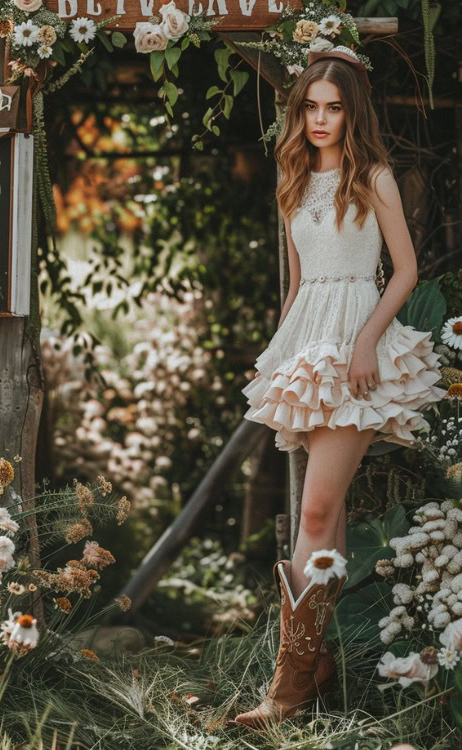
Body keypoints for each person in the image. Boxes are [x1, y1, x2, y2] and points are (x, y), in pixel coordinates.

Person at [234, 46, 445, 727]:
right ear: (299, 113)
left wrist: (364, 342)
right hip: (308, 345)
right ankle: (315, 671)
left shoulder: (374, 177)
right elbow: (298, 284)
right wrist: (277, 356)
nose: (321, 119)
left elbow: (405, 270)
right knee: (322, 515)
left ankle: (289, 689)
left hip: (360, 343)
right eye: (311, 108)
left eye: (334, 108)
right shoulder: (291, 179)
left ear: (352, 114)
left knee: (317, 513)